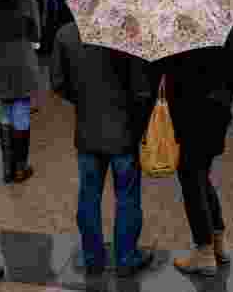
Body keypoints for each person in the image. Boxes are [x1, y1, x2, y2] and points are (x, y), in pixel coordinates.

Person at [51, 18, 158, 277]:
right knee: (127, 197)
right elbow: (142, 91)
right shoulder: (129, 33)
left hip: (87, 132)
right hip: (124, 134)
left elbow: (58, 83)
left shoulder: (66, 33)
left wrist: (84, 101)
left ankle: (92, 259)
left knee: (89, 195)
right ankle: (125, 257)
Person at [165, 30, 233, 277]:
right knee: (201, 176)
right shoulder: (229, 31)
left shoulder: (182, 34)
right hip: (217, 115)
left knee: (191, 181)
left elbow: (175, 77)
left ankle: (205, 251)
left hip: (192, 118)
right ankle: (218, 240)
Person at [0, 0, 40, 184]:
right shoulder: (29, 3)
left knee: (5, 111)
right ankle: (20, 168)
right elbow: (36, 35)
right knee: (21, 111)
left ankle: (7, 169)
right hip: (23, 60)